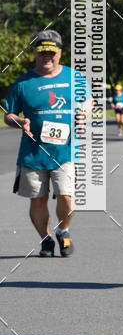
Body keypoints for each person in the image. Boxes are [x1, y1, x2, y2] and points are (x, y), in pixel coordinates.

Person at [3, 30, 86, 257]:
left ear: (60, 52)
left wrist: (83, 113)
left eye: (51, 52)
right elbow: (8, 115)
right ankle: (46, 239)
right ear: (35, 54)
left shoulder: (74, 77)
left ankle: (63, 230)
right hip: (33, 154)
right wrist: (19, 121)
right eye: (42, 52)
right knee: (37, 201)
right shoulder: (23, 83)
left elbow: (88, 101)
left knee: (66, 198)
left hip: (65, 152)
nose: (46, 57)